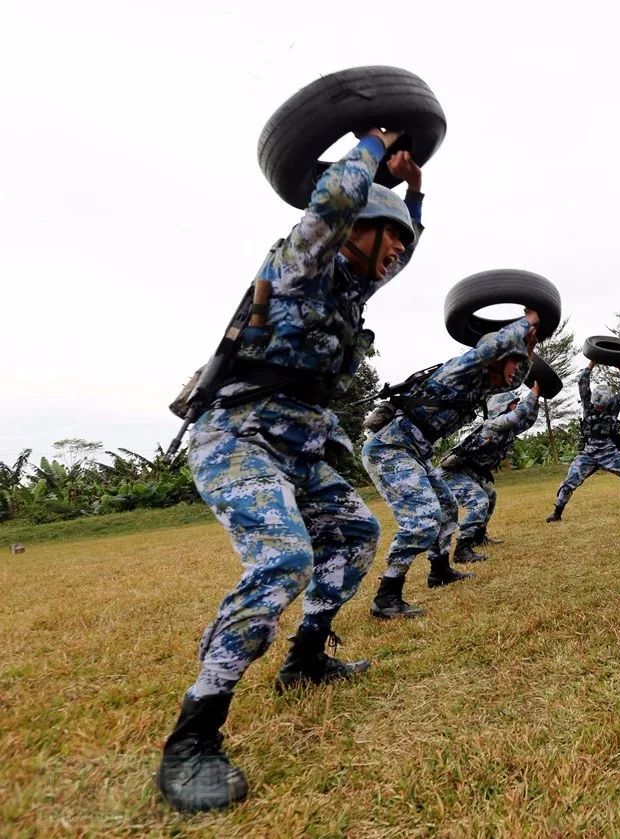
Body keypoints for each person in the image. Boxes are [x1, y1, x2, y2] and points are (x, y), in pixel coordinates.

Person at [157, 130, 424, 811]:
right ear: (353, 230)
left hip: (298, 444)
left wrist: (412, 191)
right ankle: (193, 736)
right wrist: (370, 142)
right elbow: (334, 197)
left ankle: (304, 661)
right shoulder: (304, 259)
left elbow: (405, 246)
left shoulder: (353, 291)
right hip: (236, 435)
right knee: (282, 558)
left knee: (358, 533)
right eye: (385, 237)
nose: (395, 253)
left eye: (399, 243)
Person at [362, 315, 538, 619]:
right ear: (495, 360)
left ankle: (439, 571)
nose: (515, 373)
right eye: (513, 362)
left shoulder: (481, 389)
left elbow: (518, 380)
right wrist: (529, 319)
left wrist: (529, 351)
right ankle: (386, 596)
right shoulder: (459, 371)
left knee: (446, 507)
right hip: (390, 449)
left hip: (416, 452)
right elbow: (489, 347)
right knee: (423, 519)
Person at [434, 384, 542, 564]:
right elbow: (519, 415)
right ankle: (462, 550)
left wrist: (537, 398)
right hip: (451, 473)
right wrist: (534, 392)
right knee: (479, 501)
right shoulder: (493, 425)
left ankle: (478, 537)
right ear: (502, 407)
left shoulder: (509, 429)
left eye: (516, 403)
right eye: (513, 403)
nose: (516, 406)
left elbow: (528, 419)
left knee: (490, 495)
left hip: (470, 472)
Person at [546, 362, 620, 521]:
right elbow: (582, 382)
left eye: (602, 406)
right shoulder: (588, 404)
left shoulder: (614, 405)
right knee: (569, 482)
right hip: (589, 453)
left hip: (610, 452)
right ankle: (557, 513)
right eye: (598, 406)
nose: (600, 408)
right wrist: (591, 363)